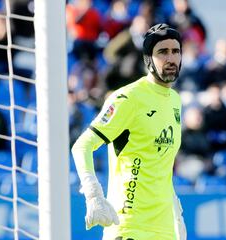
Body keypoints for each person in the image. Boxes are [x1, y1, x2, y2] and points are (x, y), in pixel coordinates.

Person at [72, 23, 186, 240]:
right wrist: (93, 194)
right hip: (128, 227)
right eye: (162, 52)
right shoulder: (128, 98)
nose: (171, 58)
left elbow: (161, 164)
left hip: (164, 230)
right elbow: (82, 146)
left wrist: (177, 214)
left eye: (176, 51)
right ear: (148, 59)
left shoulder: (175, 101)